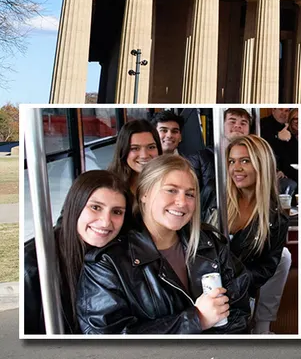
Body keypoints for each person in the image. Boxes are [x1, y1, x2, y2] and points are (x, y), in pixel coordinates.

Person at [76, 155, 252, 334]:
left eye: (190, 194)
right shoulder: (108, 262)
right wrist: (196, 319)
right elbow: (110, 340)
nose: (182, 202)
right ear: (144, 194)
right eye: (171, 190)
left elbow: (239, 313)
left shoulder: (209, 244)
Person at [23, 170, 130, 334]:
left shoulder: (122, 252)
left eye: (117, 212)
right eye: (95, 207)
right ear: (75, 206)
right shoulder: (32, 263)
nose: (105, 222)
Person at [225, 135, 291, 335]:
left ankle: (262, 327)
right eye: (232, 161)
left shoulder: (275, 219)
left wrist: (233, 283)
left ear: (262, 165)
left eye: (245, 161)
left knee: (284, 257)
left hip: (239, 292)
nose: (236, 168)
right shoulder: (215, 198)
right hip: (201, 287)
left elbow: (265, 269)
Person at [187, 108, 253, 225]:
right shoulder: (200, 158)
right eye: (232, 121)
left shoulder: (255, 159)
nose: (238, 126)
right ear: (221, 126)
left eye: (243, 123)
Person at [107, 119, 162, 195]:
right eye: (135, 148)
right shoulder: (108, 185)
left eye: (151, 147)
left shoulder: (169, 180)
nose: (144, 155)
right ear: (123, 151)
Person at [259, 108, 298, 184]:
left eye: (286, 111)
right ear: (273, 110)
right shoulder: (262, 124)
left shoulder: (287, 129)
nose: (283, 113)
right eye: (280, 109)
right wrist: (277, 136)